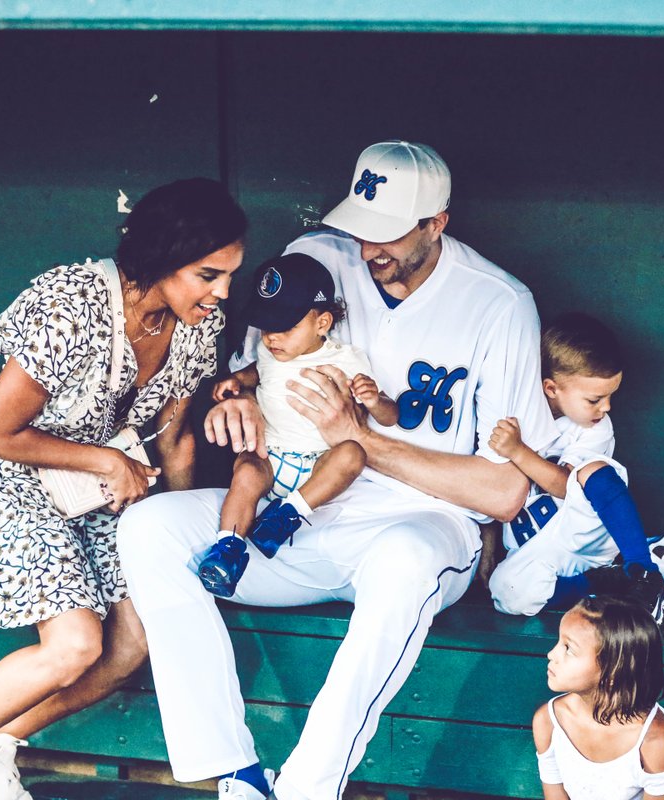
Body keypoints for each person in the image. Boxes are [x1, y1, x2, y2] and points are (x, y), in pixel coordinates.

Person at [118, 140, 557, 800]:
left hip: (420, 524)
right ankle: (235, 774)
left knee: (406, 561)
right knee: (152, 528)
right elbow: (254, 376)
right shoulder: (319, 258)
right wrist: (235, 407)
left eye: (386, 234)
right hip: (297, 513)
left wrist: (361, 441)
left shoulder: (498, 303)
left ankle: (304, 790)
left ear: (436, 222)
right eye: (360, 226)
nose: (368, 247)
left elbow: (503, 492)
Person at [0, 178, 247, 800]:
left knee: (136, 640)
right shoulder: (72, 300)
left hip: (94, 492)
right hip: (4, 481)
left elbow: (175, 440)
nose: (223, 292)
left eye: (230, 275)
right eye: (209, 274)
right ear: (161, 256)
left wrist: (178, 538)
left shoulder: (192, 327)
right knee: (76, 645)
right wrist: (106, 459)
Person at [197, 252, 397, 597]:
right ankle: (227, 549)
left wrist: (375, 399)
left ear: (322, 323)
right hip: (271, 457)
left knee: (352, 454)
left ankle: (288, 514)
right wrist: (238, 381)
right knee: (245, 469)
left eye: (286, 327)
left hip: (318, 465)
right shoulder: (269, 351)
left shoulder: (345, 360)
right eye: (266, 327)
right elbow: (259, 371)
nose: (272, 338)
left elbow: (389, 418)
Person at [485, 313, 664, 618]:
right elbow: (484, 486)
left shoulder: (596, 427)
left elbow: (565, 487)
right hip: (538, 549)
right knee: (507, 591)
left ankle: (642, 573)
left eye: (610, 396)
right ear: (552, 388)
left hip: (585, 533)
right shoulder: (515, 415)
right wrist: (487, 544)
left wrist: (517, 451)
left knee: (592, 471)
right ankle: (604, 583)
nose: (606, 408)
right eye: (595, 399)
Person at [535, 596, 664, 800]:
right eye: (558, 642)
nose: (551, 654)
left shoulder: (654, 740)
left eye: (568, 648)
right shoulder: (548, 721)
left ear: (613, 671)